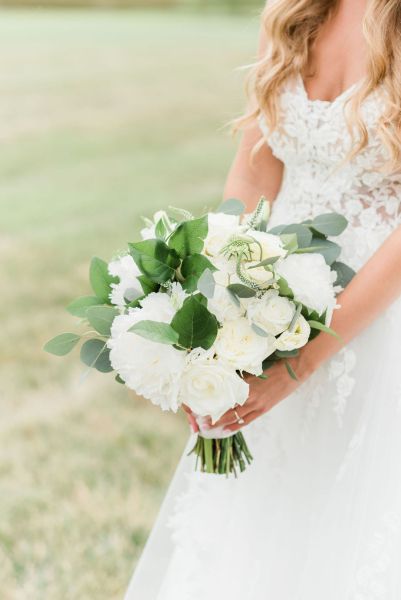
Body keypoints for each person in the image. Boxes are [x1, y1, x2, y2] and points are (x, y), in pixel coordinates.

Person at [125, 1, 401, 597]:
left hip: (380, 323)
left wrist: (302, 361)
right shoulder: (295, 11)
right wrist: (219, 312)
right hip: (272, 305)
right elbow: (254, 173)